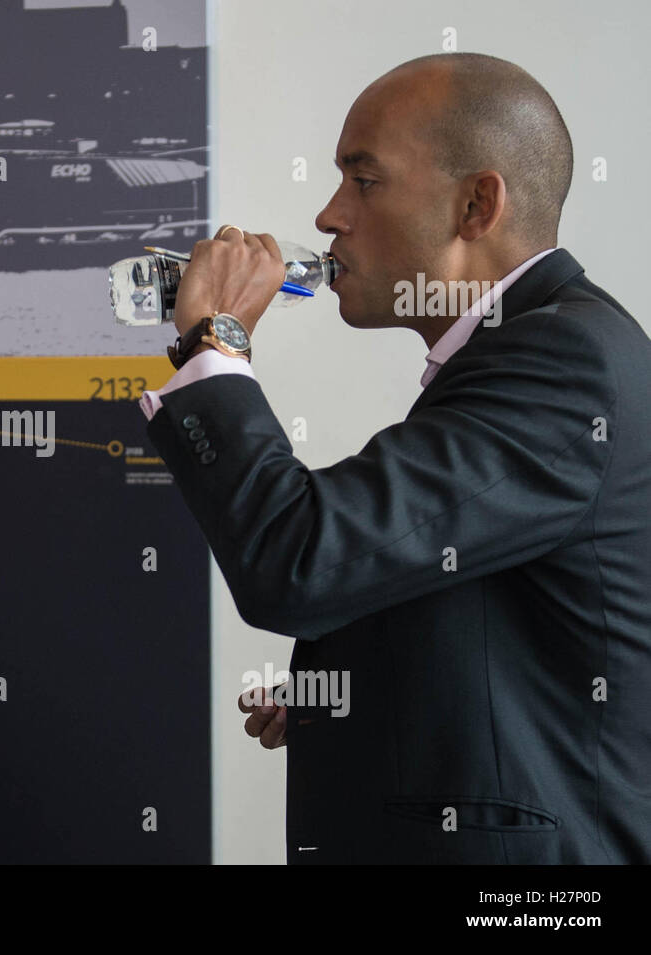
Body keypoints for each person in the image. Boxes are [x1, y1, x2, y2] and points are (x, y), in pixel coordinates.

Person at [143, 53, 651, 863]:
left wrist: (218, 345)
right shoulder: (543, 347)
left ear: (477, 203)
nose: (329, 213)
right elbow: (485, 588)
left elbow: (300, 558)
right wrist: (364, 683)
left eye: (364, 180)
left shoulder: (563, 360)